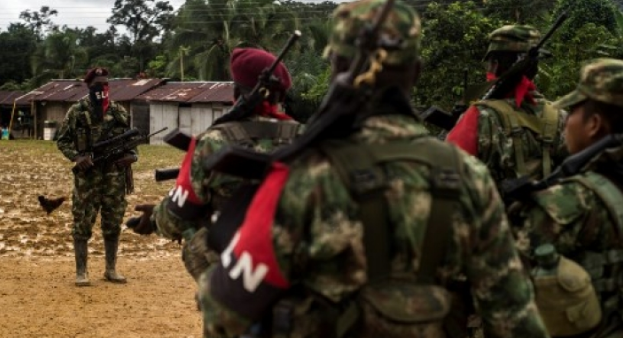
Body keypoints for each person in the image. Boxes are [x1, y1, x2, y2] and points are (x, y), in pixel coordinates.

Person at [192, 1, 550, 337]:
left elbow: (223, 311)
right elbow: (516, 318)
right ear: (416, 72)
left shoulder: (304, 175)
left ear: (336, 71)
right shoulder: (470, 178)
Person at [128, 48, 302, 296]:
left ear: (235, 93)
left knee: (195, 234)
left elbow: (178, 216)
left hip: (242, 269)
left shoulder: (214, 141)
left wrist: (155, 218)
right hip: (298, 262)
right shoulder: (307, 138)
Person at [510, 58, 623, 338]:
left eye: (573, 111)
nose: (566, 121)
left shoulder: (567, 202)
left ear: (594, 124)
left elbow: (506, 290)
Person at [445, 25, 567, 198]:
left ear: (494, 65)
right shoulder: (562, 117)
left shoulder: (479, 116)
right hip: (549, 220)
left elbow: (447, 180)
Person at [56, 67, 137, 286]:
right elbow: (62, 141)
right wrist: (77, 157)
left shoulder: (118, 111)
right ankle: (81, 272)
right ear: (89, 86)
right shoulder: (77, 111)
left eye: (106, 83)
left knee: (113, 222)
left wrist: (132, 157)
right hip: (87, 178)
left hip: (115, 178)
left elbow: (131, 144)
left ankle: (111, 269)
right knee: (82, 223)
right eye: (98, 84)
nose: (103, 87)